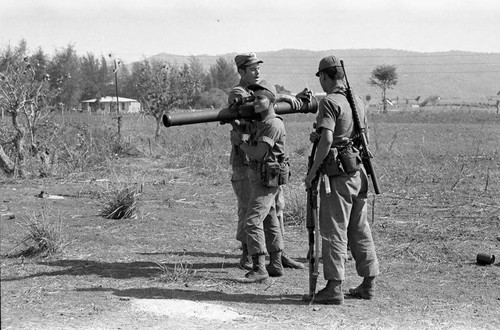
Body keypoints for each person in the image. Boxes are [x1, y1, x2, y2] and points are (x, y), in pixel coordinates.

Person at [303, 55, 380, 304]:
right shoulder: (356, 100)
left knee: (334, 229)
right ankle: (368, 283)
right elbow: (364, 137)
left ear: (325, 76)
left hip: (337, 177)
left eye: (321, 78)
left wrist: (313, 172)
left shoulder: (329, 102)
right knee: (359, 229)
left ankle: (334, 287)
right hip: (358, 173)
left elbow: (326, 140)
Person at [228, 53, 304, 272]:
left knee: (273, 211)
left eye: (258, 68)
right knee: (248, 210)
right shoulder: (239, 93)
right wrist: (281, 97)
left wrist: (281, 97)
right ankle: (248, 256)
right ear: (241, 72)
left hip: (265, 164)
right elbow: (256, 104)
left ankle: (276, 258)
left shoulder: (262, 96)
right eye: (252, 69)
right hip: (245, 161)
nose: (257, 72)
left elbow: (265, 102)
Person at [230, 80, 289, 283]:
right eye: (253, 99)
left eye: (260, 98)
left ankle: (259, 268)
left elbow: (258, 153)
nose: (255, 102)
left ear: (271, 101)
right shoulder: (262, 123)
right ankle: (276, 264)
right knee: (270, 220)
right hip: (261, 178)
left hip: (266, 180)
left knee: (252, 221)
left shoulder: (273, 124)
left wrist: (240, 143)